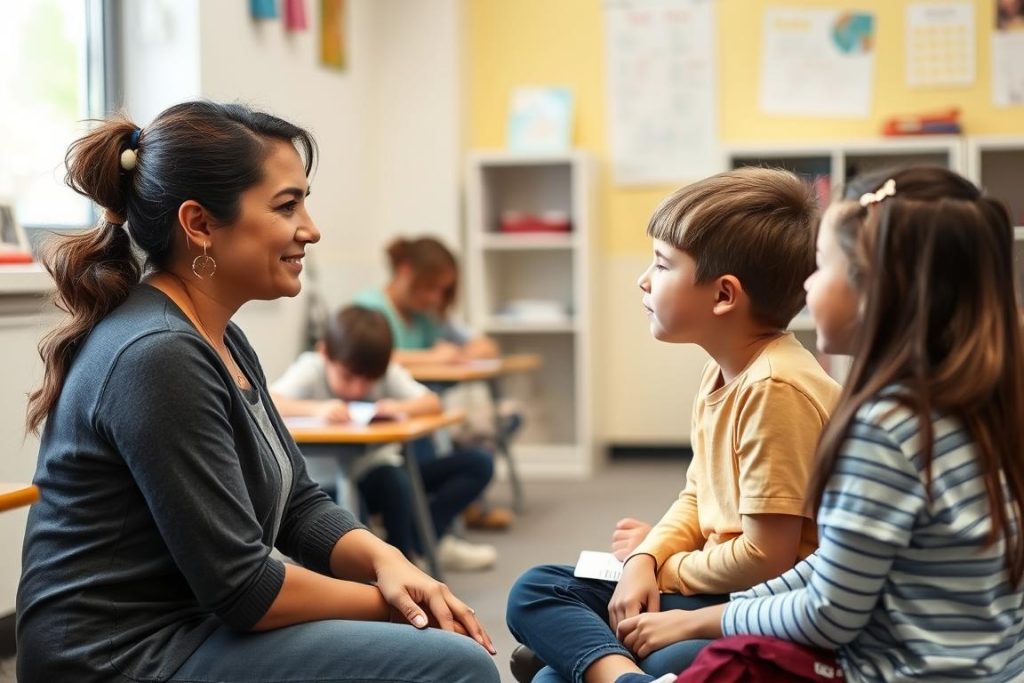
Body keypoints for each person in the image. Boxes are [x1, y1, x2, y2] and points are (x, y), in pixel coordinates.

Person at [16, 101, 498, 683]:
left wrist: (388, 560)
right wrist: (397, 602)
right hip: (121, 659)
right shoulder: (158, 353)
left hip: (192, 628)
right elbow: (246, 589)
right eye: (287, 205)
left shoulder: (220, 336)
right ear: (198, 225)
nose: (311, 229)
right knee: (453, 666)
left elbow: (298, 503)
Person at [666, 167, 1024, 682]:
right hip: (994, 669)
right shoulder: (981, 402)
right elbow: (840, 560)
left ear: (877, 288)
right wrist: (717, 608)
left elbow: (829, 615)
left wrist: (705, 620)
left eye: (820, 265)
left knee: (721, 665)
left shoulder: (887, 429)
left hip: (896, 671)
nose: (807, 285)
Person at [506, 167, 841, 683]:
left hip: (761, 602)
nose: (643, 279)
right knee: (537, 588)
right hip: (711, 577)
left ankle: (603, 668)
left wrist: (663, 568)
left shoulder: (776, 389)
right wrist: (645, 556)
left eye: (661, 265)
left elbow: (766, 557)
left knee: (575, 669)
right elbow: (696, 494)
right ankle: (614, 673)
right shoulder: (723, 369)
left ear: (724, 295)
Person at [271, 304, 498, 571]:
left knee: (398, 481)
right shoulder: (311, 367)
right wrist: (316, 409)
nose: (357, 389)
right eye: (348, 377)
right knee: (350, 519)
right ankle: (362, 579)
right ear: (325, 353)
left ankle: (407, 561)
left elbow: (431, 403)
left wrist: (398, 407)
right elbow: (271, 399)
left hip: (370, 472)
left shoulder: (385, 371)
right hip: (320, 483)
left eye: (368, 381)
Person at [356, 235, 514, 530]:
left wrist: (455, 354)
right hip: (385, 432)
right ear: (404, 272)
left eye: (442, 291)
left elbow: (486, 347)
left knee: (490, 440)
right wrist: (435, 357)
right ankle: (434, 531)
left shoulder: (427, 315)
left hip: (422, 420)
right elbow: (379, 357)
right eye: (429, 288)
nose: (435, 299)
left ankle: (433, 533)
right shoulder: (369, 310)